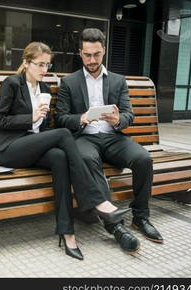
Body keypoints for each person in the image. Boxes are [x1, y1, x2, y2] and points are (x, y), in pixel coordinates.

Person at [0, 42, 130, 260]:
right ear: (26, 63)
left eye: (47, 65)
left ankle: (67, 232)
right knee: (63, 134)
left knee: (60, 157)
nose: (44, 70)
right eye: (40, 64)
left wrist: (41, 125)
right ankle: (97, 200)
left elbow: (45, 129)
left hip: (33, 145)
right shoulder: (12, 83)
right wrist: (29, 118)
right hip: (10, 149)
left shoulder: (44, 89)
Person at [55, 28, 163, 254]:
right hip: (85, 138)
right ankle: (116, 227)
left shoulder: (117, 81)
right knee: (86, 159)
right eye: (87, 55)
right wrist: (81, 118)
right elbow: (61, 118)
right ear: (80, 53)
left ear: (103, 51)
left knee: (143, 158)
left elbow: (128, 115)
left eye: (96, 54)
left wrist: (117, 120)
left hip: (113, 136)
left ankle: (140, 217)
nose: (92, 60)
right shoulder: (69, 82)